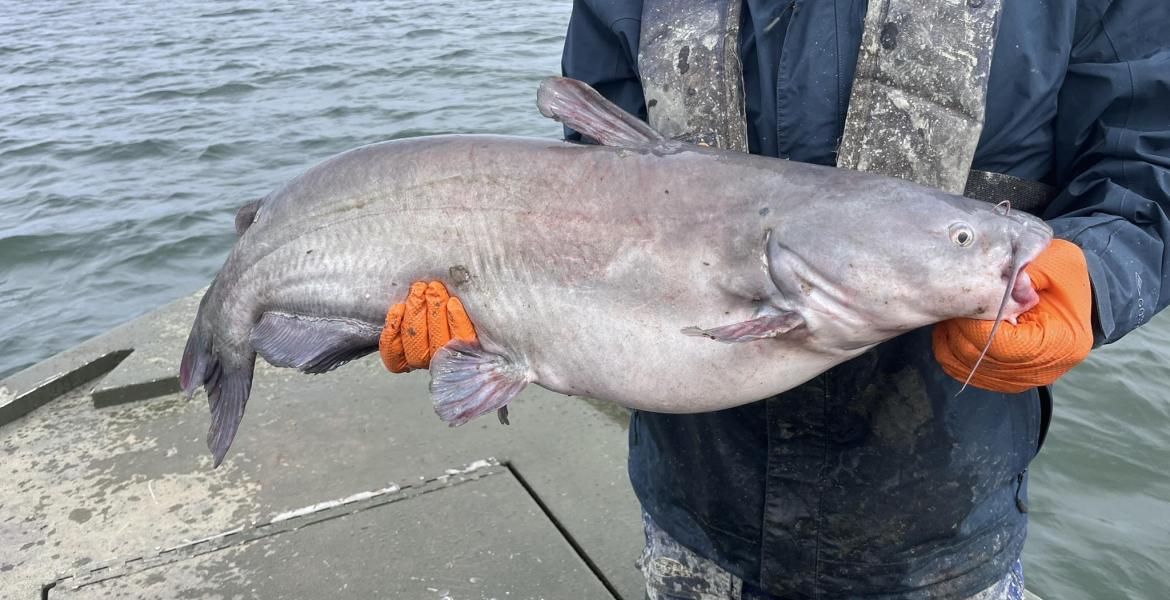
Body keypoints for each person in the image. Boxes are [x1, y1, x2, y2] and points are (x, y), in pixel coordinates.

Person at [379, 1, 1170, 598]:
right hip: (693, 520)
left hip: (943, 539)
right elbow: (591, 171)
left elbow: (1147, 169)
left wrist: (1088, 282)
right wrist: (493, 302)